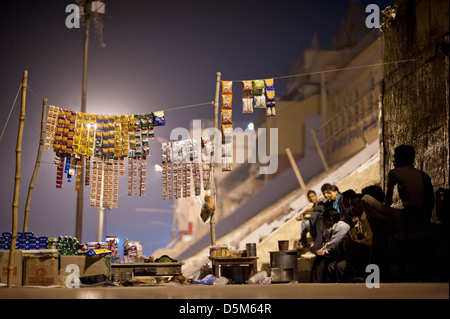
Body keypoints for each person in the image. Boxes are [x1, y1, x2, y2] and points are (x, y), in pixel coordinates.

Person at [361, 145, 435, 281]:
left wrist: (382, 218)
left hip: (408, 219)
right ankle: (375, 276)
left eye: (395, 157)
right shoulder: (423, 175)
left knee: (366, 199)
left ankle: (373, 277)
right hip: (422, 219)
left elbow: (387, 201)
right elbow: (430, 202)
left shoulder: (394, 173)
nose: (393, 160)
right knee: (380, 234)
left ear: (401, 158)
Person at [310, 207, 350, 283]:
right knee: (320, 258)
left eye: (324, 219)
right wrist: (322, 250)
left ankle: (315, 283)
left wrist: (324, 251)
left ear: (330, 219)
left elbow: (333, 244)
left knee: (321, 258)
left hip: (344, 253)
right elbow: (331, 243)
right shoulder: (334, 227)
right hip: (338, 251)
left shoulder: (341, 226)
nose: (323, 222)